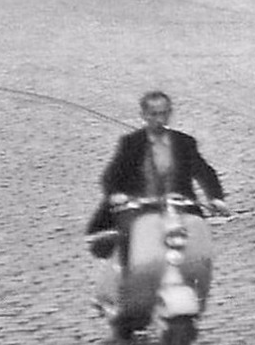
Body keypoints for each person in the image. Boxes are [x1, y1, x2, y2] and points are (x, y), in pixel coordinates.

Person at [86, 92, 229, 258]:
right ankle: (127, 274)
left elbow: (205, 172)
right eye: (154, 114)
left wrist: (216, 198)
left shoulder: (184, 142)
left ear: (170, 113)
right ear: (144, 116)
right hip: (140, 207)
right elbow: (111, 176)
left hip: (179, 206)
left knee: (196, 245)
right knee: (129, 238)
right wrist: (117, 195)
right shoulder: (131, 143)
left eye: (164, 114)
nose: (160, 120)